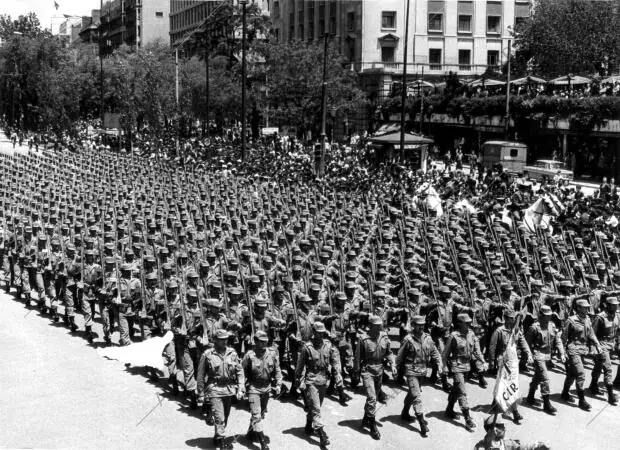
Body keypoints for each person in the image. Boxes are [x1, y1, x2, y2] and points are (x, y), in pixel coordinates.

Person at [295, 321, 342, 450]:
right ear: (313, 333)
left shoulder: (328, 345)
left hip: (323, 379)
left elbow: (334, 360)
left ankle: (309, 423)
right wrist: (298, 379)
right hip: (311, 380)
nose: (320, 335)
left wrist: (338, 374)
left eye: (322, 333)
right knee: (316, 408)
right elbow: (300, 365)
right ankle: (321, 434)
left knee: (317, 405)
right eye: (318, 333)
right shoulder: (307, 347)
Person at [196, 329, 245, 450]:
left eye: (226, 339)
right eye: (222, 339)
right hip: (214, 388)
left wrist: (241, 388)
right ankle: (222, 445)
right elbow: (200, 375)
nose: (225, 341)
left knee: (226, 416)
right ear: (215, 340)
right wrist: (201, 393)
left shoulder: (232, 353)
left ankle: (218, 436)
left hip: (228, 389)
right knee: (219, 417)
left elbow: (239, 371)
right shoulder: (207, 354)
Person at [396, 314, 443, 437]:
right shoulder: (408, 339)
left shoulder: (427, 338)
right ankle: (422, 422)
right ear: (413, 326)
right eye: (418, 325)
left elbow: (434, 352)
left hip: (422, 371)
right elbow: (400, 356)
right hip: (411, 371)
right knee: (417, 396)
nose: (421, 328)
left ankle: (405, 412)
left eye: (422, 325)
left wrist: (439, 364)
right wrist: (396, 369)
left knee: (412, 393)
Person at [353, 314, 396, 440]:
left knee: (374, 397)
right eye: (376, 326)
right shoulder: (363, 339)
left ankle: (366, 418)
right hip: (367, 371)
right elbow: (357, 358)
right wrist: (356, 372)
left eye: (380, 326)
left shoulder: (384, 337)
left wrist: (392, 364)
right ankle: (372, 425)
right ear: (370, 326)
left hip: (379, 370)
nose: (379, 328)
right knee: (372, 398)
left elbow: (389, 353)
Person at [443, 313, 485, 432]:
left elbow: (477, 351)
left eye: (468, 322)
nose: (468, 324)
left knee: (457, 389)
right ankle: (467, 418)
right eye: (466, 323)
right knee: (462, 392)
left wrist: (483, 361)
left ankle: (449, 410)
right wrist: (444, 367)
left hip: (467, 366)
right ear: (459, 323)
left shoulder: (471, 334)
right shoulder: (453, 336)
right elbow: (445, 354)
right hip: (457, 366)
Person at [242, 330, 282, 450]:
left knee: (261, 413)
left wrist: (279, 384)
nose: (264, 344)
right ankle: (262, 443)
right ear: (255, 342)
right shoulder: (249, 355)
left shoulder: (272, 353)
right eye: (261, 342)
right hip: (254, 388)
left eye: (265, 341)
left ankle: (250, 433)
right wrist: (241, 386)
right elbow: (241, 371)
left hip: (267, 388)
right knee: (256, 415)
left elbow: (277, 369)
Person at [561, 299, 602, 411]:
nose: (587, 309)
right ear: (578, 308)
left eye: (587, 307)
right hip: (573, 349)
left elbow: (591, 333)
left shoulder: (588, 319)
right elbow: (563, 337)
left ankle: (565, 393)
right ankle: (582, 400)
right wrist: (562, 353)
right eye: (584, 307)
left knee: (572, 374)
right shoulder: (571, 320)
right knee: (581, 374)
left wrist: (597, 344)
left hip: (583, 350)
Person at [525, 305, 566, 415]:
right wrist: (528, 355)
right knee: (545, 379)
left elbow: (557, 340)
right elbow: (526, 343)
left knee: (538, 377)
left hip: (547, 356)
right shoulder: (534, 327)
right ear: (541, 315)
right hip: (538, 355)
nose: (548, 318)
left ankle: (530, 396)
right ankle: (547, 404)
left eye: (550, 316)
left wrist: (562, 353)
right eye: (546, 316)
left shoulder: (552, 326)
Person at [590, 296, 619, 405]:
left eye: (617, 304)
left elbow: (618, 331)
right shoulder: (600, 317)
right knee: (608, 368)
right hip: (601, 345)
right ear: (608, 305)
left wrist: (618, 344)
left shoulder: (617, 316)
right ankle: (611, 395)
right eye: (614, 305)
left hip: (611, 344)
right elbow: (592, 333)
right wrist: (593, 348)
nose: (616, 306)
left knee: (598, 366)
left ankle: (593, 385)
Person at [474, 415, 550, 450]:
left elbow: (520, 447)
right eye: (502, 427)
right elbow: (488, 440)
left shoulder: (505, 444)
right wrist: (491, 434)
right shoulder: (483, 445)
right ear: (495, 430)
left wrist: (536, 446)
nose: (505, 429)